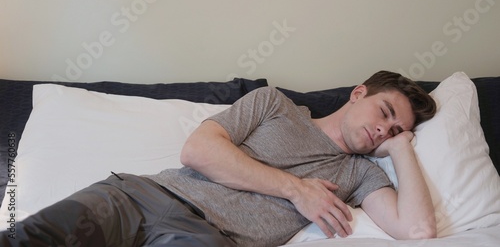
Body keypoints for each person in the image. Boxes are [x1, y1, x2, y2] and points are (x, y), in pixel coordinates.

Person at [1, 70, 437, 246]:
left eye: (396, 129)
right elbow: (198, 150)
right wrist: (296, 190)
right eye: (385, 113)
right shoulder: (273, 104)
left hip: (206, 238)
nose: (384, 129)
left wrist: (400, 149)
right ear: (359, 92)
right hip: (140, 195)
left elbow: (418, 230)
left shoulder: (359, 173)